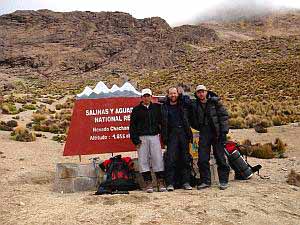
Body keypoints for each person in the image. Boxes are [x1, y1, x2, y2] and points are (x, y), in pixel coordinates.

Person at [190, 85, 230, 190]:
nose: (201, 94)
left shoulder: (215, 102)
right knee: (203, 158)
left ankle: (223, 180)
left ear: (206, 92)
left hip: (216, 132)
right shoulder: (195, 104)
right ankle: (205, 181)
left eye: (202, 91)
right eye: (199, 92)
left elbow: (224, 116)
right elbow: (192, 118)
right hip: (204, 132)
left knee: (220, 157)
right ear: (196, 94)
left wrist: (223, 132)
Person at [129, 88, 166, 193]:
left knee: (158, 159)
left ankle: (160, 181)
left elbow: (162, 122)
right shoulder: (136, 110)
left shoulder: (157, 108)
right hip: (142, 138)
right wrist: (135, 140)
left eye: (148, 96)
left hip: (154, 136)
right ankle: (148, 182)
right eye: (144, 96)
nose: (146, 98)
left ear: (151, 97)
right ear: (141, 97)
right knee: (143, 161)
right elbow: (132, 127)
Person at [161, 87, 193, 191]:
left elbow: (190, 102)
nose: (173, 95)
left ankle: (186, 182)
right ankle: (170, 183)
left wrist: (182, 96)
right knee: (170, 160)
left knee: (185, 158)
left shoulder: (183, 104)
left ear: (178, 94)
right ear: (168, 95)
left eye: (175, 93)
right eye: (171, 94)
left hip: (183, 133)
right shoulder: (164, 106)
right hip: (171, 135)